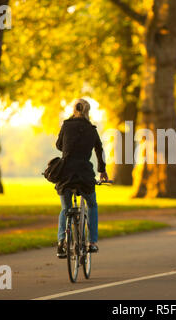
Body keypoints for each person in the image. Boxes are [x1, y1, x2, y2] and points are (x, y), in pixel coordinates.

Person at [54, 98, 108, 258]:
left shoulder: (66, 125)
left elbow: (58, 145)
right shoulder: (92, 129)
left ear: (74, 110)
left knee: (66, 208)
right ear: (87, 111)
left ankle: (61, 242)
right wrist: (102, 171)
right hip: (84, 174)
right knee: (92, 205)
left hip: (65, 174)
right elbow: (99, 150)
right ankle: (92, 242)